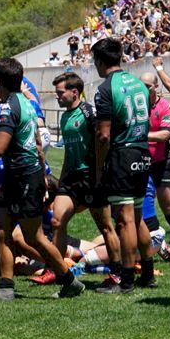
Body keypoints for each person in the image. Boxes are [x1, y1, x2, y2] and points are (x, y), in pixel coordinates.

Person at [0, 58, 85, 301]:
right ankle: (5, 288)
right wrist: (42, 174)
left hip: (23, 177)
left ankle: (69, 280)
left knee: (33, 237)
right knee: (2, 230)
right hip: (20, 176)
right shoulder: (28, 104)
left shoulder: (8, 107)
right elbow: (38, 143)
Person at [90, 38, 154, 294]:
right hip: (142, 151)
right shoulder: (139, 84)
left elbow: (104, 135)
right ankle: (147, 274)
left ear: (99, 61)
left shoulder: (105, 89)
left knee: (125, 220)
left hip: (122, 155)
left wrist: (99, 166)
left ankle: (126, 280)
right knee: (136, 217)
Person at [45, 72, 119, 285]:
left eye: (60, 92)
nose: (57, 96)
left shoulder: (88, 112)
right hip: (71, 180)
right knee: (57, 221)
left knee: (105, 227)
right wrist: (62, 180)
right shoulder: (65, 117)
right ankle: (59, 271)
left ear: (74, 92)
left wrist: (99, 173)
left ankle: (117, 272)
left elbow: (104, 140)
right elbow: (69, 152)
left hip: (92, 177)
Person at [141, 71, 170, 246]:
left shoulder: (165, 106)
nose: (144, 89)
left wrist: (140, 136)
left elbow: (165, 135)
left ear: (156, 87)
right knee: (141, 200)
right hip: (142, 162)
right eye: (141, 86)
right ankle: (147, 235)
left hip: (162, 162)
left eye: (148, 86)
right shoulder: (137, 105)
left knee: (166, 204)